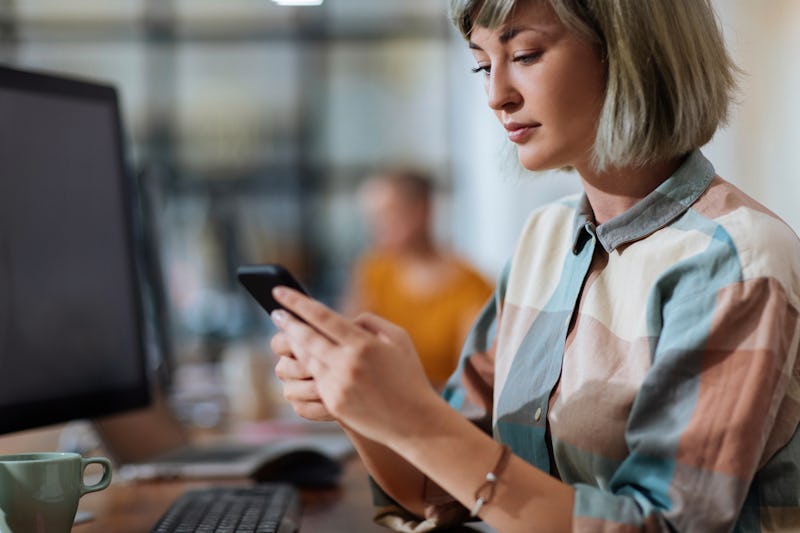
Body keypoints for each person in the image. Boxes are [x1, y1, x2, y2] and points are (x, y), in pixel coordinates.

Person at [269, 0, 800, 531]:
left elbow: (659, 527)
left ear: (631, 55)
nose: (497, 95)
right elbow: (442, 488)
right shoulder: (544, 241)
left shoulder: (735, 262)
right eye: (482, 65)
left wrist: (413, 417)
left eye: (524, 54)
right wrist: (363, 404)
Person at [341, 168, 494, 391]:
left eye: (388, 214)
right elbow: (349, 342)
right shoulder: (373, 271)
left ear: (423, 210)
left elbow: (473, 388)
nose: (377, 227)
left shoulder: (473, 289)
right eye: (372, 217)